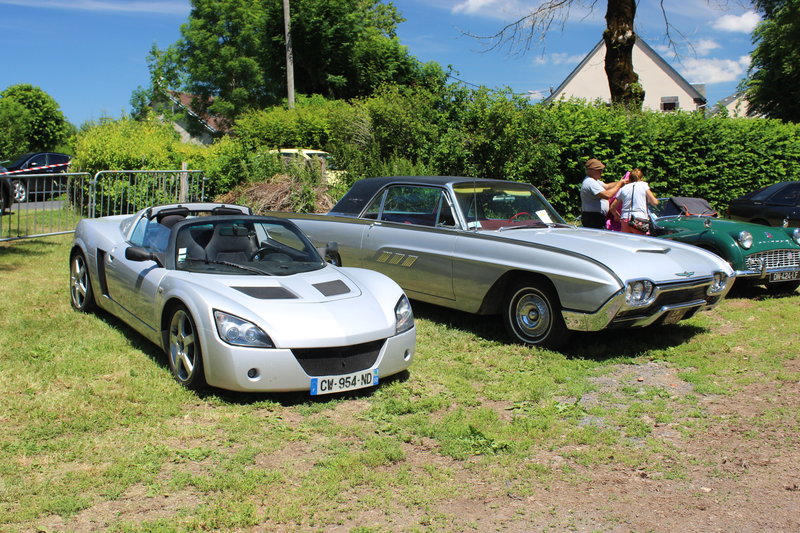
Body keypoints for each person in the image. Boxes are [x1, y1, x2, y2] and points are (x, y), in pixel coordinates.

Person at [580, 158, 628, 229]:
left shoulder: (595, 181)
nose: (601, 172)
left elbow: (607, 186)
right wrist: (619, 185)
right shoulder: (590, 182)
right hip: (592, 217)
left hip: (596, 217)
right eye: (599, 170)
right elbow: (607, 195)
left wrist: (621, 182)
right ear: (591, 170)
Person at [610, 168, 659, 235]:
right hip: (639, 219)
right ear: (641, 177)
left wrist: (617, 215)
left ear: (629, 178)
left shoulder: (623, 189)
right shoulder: (643, 185)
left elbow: (612, 207)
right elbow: (654, 202)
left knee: (627, 242)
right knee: (640, 243)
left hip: (625, 218)